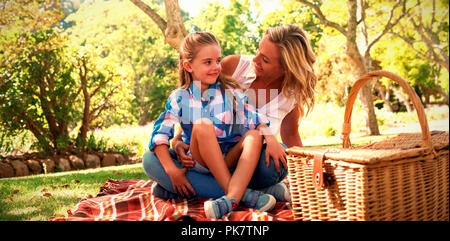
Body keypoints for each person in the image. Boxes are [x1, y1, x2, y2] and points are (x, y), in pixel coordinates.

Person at [143, 24, 317, 207]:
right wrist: (176, 147)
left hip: (240, 160)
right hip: (200, 158)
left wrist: (274, 142)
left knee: (268, 150)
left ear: (285, 68)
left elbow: (259, 118)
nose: (255, 59)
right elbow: (170, 126)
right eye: (258, 51)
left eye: (265, 59)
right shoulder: (191, 91)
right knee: (150, 160)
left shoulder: (230, 89)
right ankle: (246, 194)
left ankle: (176, 189)